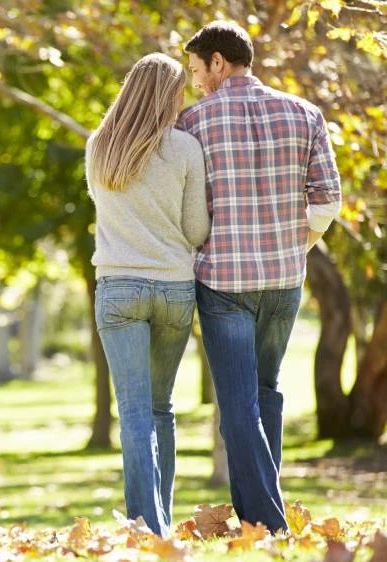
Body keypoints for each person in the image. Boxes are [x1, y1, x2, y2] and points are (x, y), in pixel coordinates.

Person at [176, 21, 342, 533]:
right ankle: (257, 518)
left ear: (219, 63)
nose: (196, 82)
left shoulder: (193, 122)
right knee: (265, 392)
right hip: (284, 279)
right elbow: (328, 200)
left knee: (238, 404)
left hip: (224, 282)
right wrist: (296, 245)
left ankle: (268, 520)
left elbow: (184, 205)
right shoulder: (305, 113)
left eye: (197, 70)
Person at [85, 53, 211, 536]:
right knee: (161, 407)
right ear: (170, 96)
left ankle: (147, 526)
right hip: (175, 289)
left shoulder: (99, 146)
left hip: (118, 289)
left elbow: (108, 212)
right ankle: (161, 518)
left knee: (135, 411)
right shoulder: (184, 148)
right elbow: (197, 229)